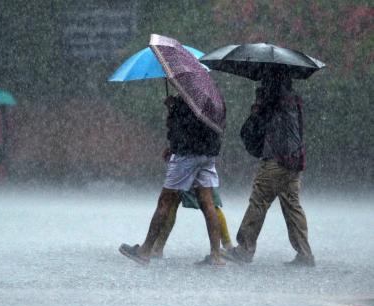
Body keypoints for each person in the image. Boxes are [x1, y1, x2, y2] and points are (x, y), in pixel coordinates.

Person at [119, 94, 225, 265]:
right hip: (208, 153)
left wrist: (173, 110)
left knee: (165, 201)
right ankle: (216, 255)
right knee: (208, 202)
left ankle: (145, 250)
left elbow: (181, 129)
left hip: (187, 155)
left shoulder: (186, 99)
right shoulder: (212, 97)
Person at [224, 70, 315, 267]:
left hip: (276, 160)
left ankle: (244, 250)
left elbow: (253, 127)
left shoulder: (273, 101)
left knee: (259, 200)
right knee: (292, 206)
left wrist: (258, 106)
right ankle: (305, 253)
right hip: (295, 160)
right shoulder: (294, 100)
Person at [150, 188, 233, 259]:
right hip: (200, 171)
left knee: (172, 200)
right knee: (209, 202)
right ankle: (227, 247)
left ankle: (157, 248)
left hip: (185, 171)